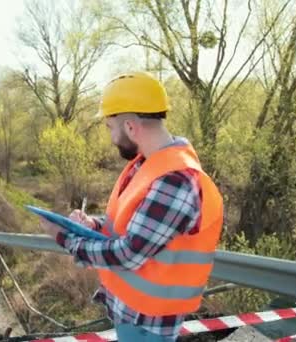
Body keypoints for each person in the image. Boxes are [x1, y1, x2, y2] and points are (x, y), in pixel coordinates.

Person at [39, 72, 224, 341]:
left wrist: (64, 238)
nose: (112, 137)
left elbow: (129, 253)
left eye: (110, 128)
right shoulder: (147, 164)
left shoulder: (176, 180)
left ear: (129, 127)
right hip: (129, 310)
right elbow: (130, 224)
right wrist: (94, 224)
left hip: (150, 323)